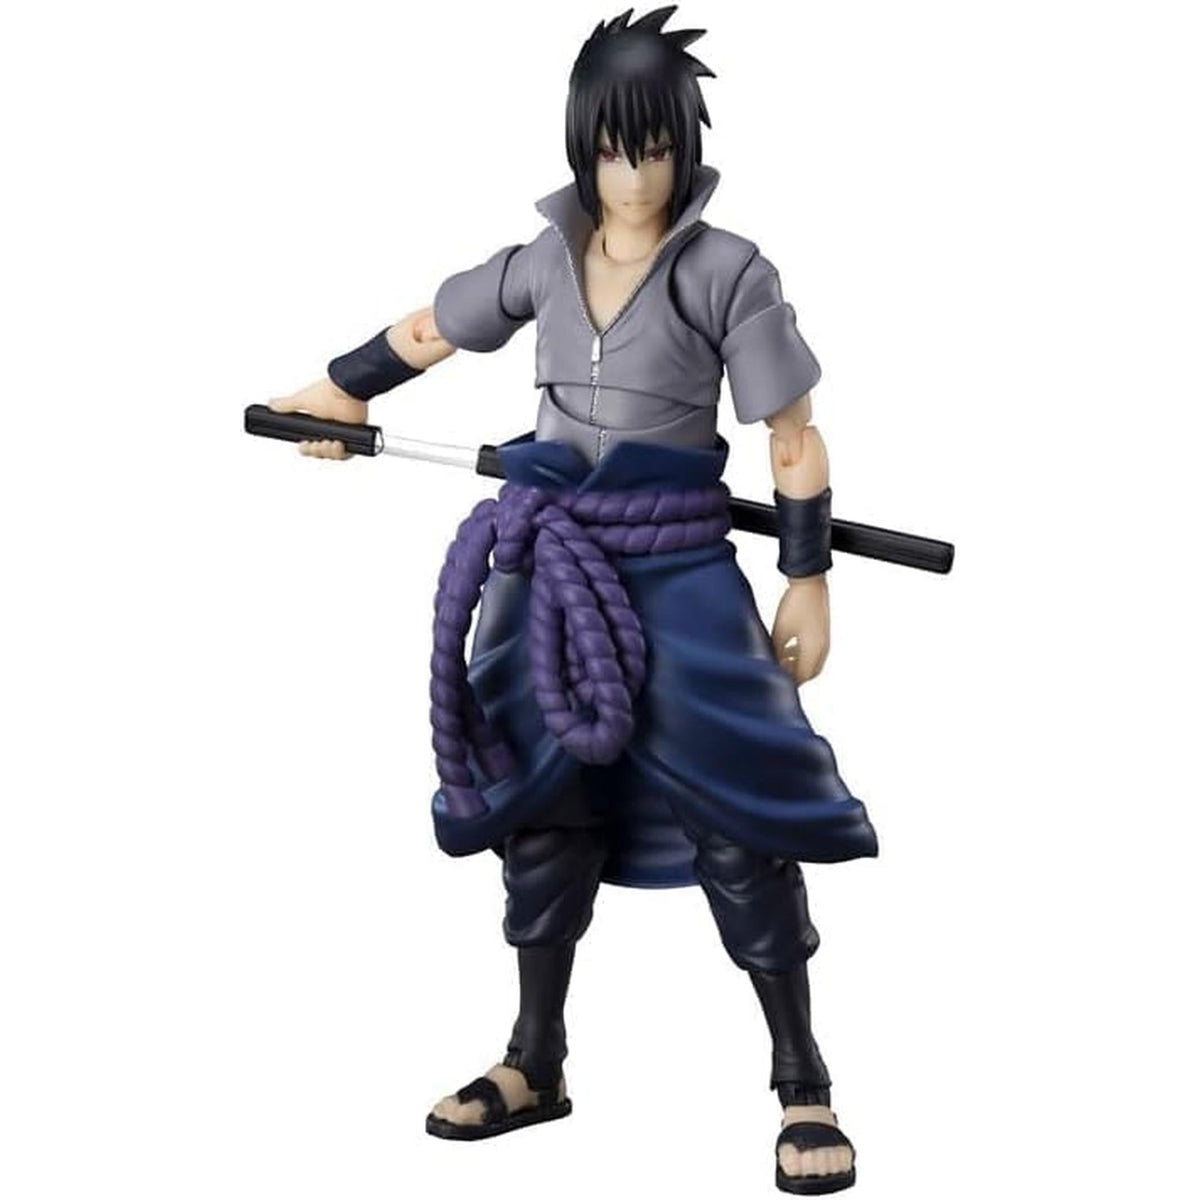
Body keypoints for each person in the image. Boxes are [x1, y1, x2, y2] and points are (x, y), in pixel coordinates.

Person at [270, 8, 876, 1194]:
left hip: (679, 572)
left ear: (685, 147)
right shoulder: (544, 260)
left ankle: (802, 1079)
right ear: (581, 147)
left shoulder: (728, 270)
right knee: (540, 804)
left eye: (655, 148)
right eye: (612, 149)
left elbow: (792, 435)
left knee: (739, 816)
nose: (634, 174)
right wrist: (337, 394)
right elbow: (431, 328)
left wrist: (806, 576)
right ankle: (534, 1062)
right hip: (548, 567)